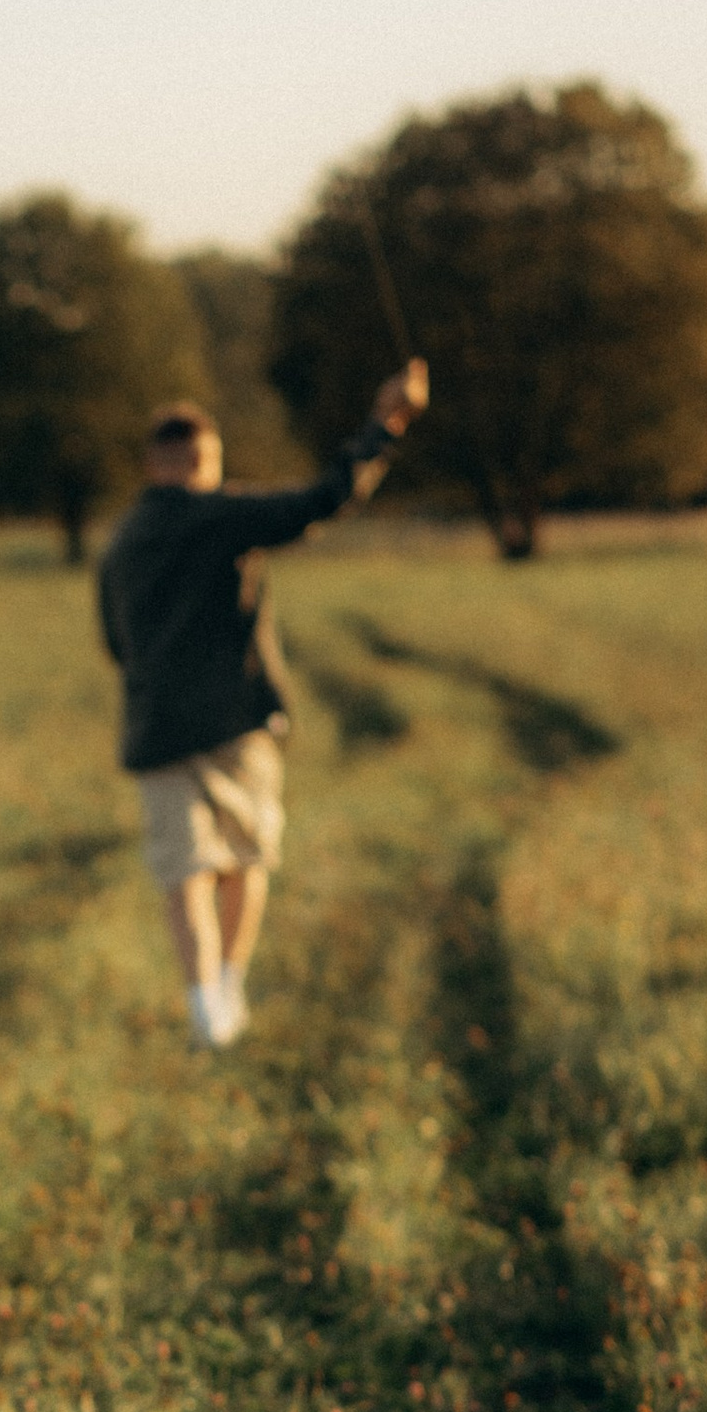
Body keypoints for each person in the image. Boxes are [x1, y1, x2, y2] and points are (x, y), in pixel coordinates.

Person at [96, 362, 430, 1047]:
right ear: (197, 461)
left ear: (151, 462)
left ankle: (203, 1009)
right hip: (235, 722)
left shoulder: (120, 543)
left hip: (156, 726)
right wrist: (386, 425)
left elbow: (113, 642)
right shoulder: (216, 517)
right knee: (245, 858)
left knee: (184, 870)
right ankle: (229, 986)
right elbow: (321, 501)